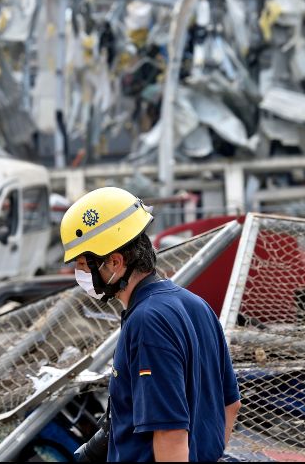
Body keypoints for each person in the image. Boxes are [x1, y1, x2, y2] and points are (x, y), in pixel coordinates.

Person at [62, 187, 241, 462]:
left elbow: (170, 433)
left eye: (84, 264)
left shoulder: (148, 322)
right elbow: (230, 404)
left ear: (114, 261)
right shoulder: (196, 305)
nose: (81, 274)